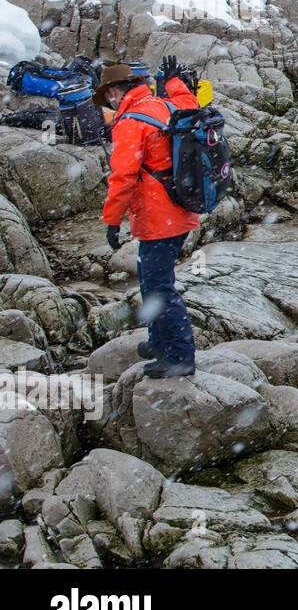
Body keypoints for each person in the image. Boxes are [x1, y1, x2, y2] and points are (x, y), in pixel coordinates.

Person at [95, 58, 203, 378]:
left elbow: (123, 177)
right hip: (179, 208)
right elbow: (190, 104)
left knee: (158, 286)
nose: (110, 103)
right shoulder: (162, 104)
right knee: (150, 277)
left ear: (114, 91)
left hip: (159, 216)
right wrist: (173, 81)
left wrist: (112, 220)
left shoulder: (130, 121)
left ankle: (180, 355)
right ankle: (160, 340)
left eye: (109, 97)